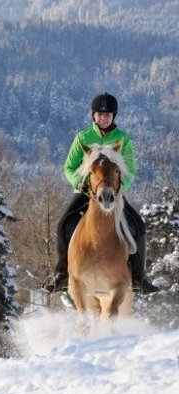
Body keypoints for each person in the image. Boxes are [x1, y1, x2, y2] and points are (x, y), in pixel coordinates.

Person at [42, 92, 159, 295]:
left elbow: (130, 170)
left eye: (107, 115)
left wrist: (118, 189)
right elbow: (69, 167)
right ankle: (61, 273)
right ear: (93, 116)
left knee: (138, 225)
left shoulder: (123, 139)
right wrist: (80, 183)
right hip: (87, 193)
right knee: (63, 224)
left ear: (113, 116)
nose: (103, 118)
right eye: (99, 114)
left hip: (114, 194)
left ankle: (139, 277)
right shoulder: (83, 138)